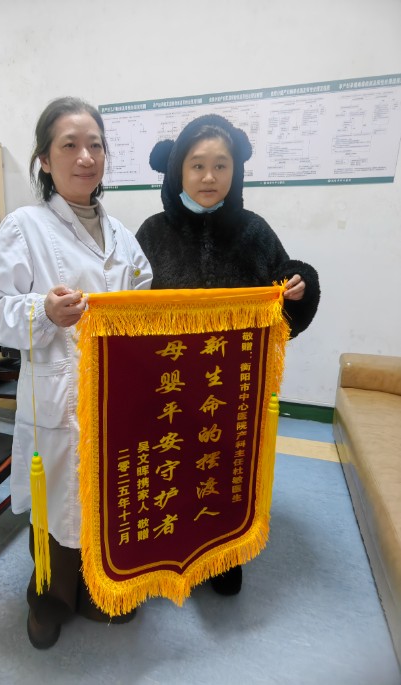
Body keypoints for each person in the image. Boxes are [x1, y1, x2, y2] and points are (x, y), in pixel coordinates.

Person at [0, 97, 152, 649]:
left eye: (95, 145)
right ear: (45, 160)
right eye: (69, 145)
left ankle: (100, 591)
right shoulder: (25, 227)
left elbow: (145, 299)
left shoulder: (122, 236)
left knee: (105, 499)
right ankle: (48, 602)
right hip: (59, 393)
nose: (85, 157)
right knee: (58, 503)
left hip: (114, 397)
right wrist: (42, 311)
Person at [135, 113, 320, 596]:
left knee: (225, 471)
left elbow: (284, 285)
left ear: (236, 170)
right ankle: (168, 549)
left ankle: (222, 554)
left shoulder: (254, 231)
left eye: (221, 165)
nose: (209, 176)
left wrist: (300, 283)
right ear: (177, 169)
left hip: (232, 389)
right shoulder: (152, 233)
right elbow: (126, 304)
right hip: (170, 386)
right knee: (172, 467)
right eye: (197, 165)